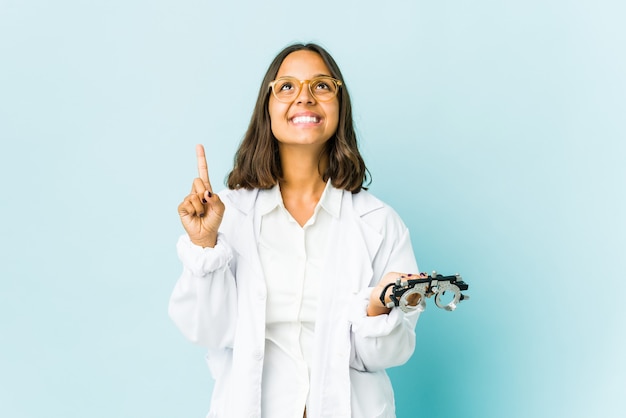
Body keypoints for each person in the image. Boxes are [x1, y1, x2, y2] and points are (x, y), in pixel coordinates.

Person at [169, 43, 422, 418]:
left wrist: (376, 310)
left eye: (321, 86)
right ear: (266, 107)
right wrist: (204, 245)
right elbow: (206, 331)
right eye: (287, 86)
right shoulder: (229, 214)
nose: (304, 97)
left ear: (340, 105)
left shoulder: (379, 223)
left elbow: (389, 354)